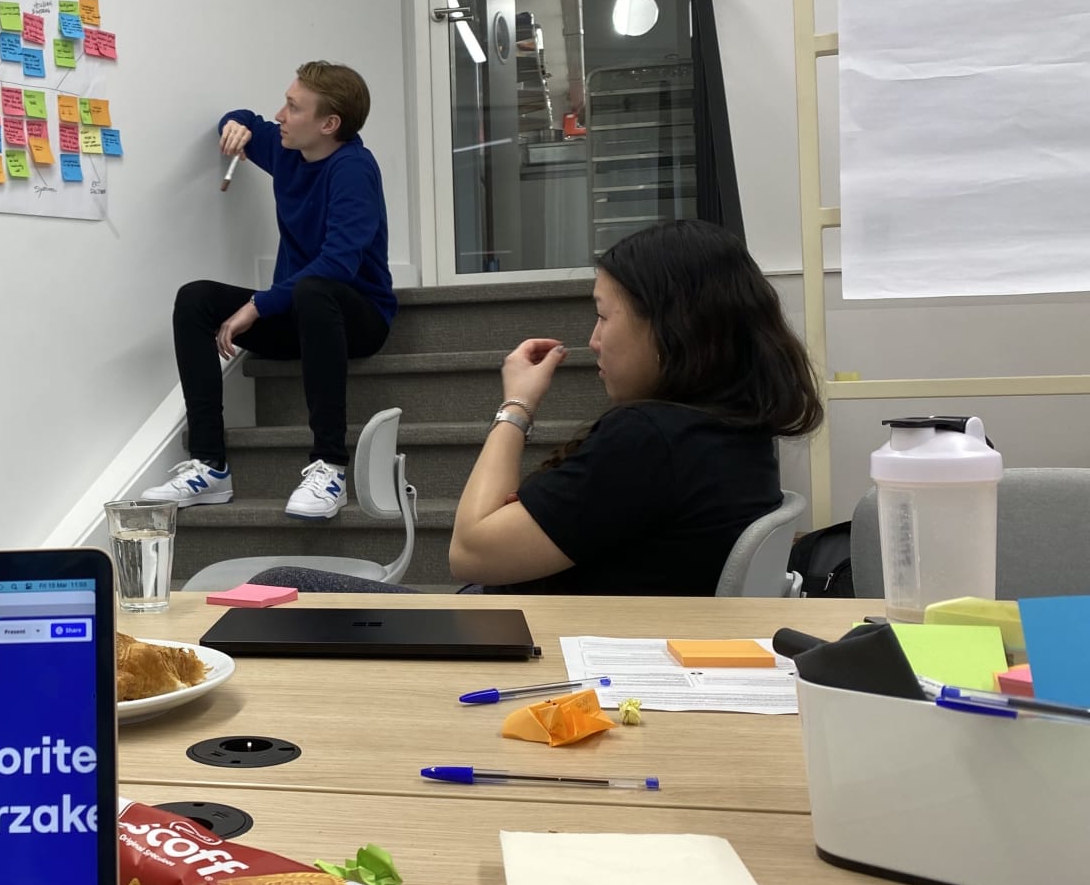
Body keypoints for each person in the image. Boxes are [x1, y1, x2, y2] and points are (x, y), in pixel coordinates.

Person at [447, 219, 823, 595]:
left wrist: (516, 406)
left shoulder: (650, 440)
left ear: (669, 325)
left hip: (540, 640)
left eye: (603, 316)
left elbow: (470, 551)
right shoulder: (740, 430)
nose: (594, 340)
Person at [144, 62, 396, 519]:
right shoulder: (287, 150)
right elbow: (238, 116)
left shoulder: (353, 170)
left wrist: (258, 304)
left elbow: (340, 264)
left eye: (293, 107)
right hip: (302, 316)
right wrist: (235, 127)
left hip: (359, 318)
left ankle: (329, 467)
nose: (279, 115)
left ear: (329, 124)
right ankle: (210, 467)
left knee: (316, 287)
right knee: (195, 298)